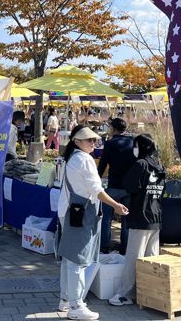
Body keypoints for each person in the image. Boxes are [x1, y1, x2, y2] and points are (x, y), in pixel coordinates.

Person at [56, 125, 129, 320]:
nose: (93, 143)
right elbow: (96, 190)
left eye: (94, 140)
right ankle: (76, 305)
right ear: (77, 141)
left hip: (69, 212)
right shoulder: (84, 159)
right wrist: (116, 205)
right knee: (77, 261)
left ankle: (66, 300)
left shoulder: (72, 157)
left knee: (68, 259)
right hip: (79, 214)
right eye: (89, 140)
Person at [108, 133, 167, 306]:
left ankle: (125, 294)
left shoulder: (140, 165)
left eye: (136, 145)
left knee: (134, 257)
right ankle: (150, 293)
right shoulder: (159, 165)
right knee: (152, 258)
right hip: (155, 216)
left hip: (140, 215)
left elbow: (130, 186)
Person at [97, 117, 136, 254]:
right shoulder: (133, 142)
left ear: (113, 129)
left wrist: (97, 179)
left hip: (113, 185)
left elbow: (103, 164)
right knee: (126, 219)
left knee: (107, 218)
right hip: (129, 187)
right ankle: (125, 248)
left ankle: (104, 247)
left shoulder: (110, 143)